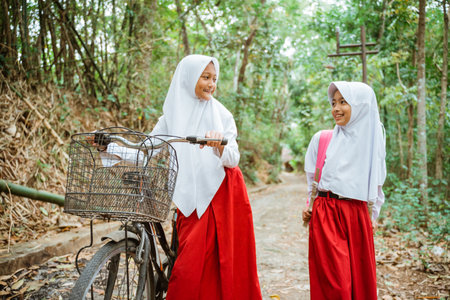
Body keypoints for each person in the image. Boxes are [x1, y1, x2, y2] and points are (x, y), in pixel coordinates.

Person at [149, 55, 262, 300]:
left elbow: (233, 158)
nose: (211, 84)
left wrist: (218, 144)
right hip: (190, 195)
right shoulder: (171, 116)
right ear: (189, 77)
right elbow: (149, 147)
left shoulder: (222, 114)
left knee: (224, 264)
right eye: (205, 77)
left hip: (223, 194)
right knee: (189, 267)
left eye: (214, 79)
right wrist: (109, 148)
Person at [302, 81, 386, 300]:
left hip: (356, 215)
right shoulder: (323, 139)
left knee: (359, 282)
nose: (336, 108)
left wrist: (373, 215)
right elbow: (313, 178)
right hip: (327, 212)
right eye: (333, 103)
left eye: (343, 102)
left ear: (360, 107)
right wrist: (309, 206)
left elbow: (377, 181)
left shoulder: (373, 140)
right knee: (335, 284)